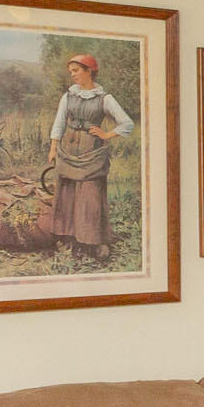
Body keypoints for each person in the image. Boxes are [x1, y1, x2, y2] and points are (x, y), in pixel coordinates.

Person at [46, 54, 135, 263]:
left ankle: (95, 240)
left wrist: (106, 135)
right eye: (71, 72)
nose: (73, 75)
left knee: (90, 196)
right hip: (68, 148)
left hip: (92, 150)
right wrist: (53, 148)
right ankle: (68, 237)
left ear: (89, 71)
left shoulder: (104, 98)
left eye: (76, 70)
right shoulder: (68, 96)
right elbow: (59, 122)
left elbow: (127, 124)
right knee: (66, 192)